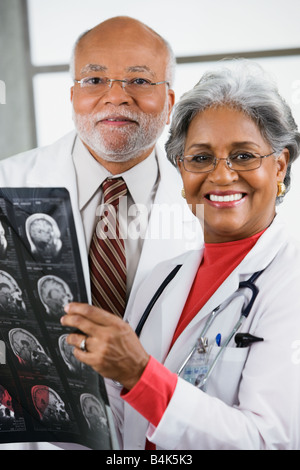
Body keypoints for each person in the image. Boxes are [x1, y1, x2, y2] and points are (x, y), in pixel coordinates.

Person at [61, 62, 300, 450]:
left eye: (243, 156)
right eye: (201, 158)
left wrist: (140, 374)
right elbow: (119, 429)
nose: (221, 176)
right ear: (182, 173)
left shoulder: (291, 282)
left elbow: (268, 441)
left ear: (280, 166)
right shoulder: (159, 280)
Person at [0, 16, 201, 450]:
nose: (115, 96)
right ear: (73, 95)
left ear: (169, 101)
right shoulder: (7, 186)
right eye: (95, 79)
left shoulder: (211, 206)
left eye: (139, 80)